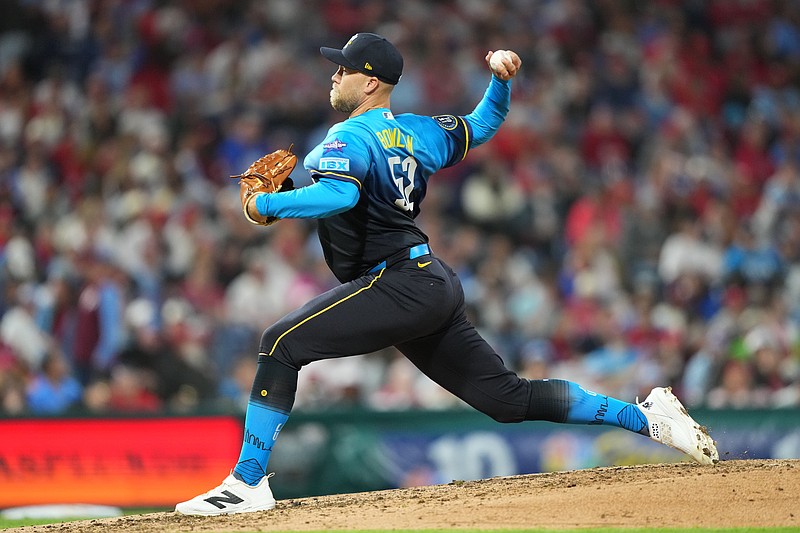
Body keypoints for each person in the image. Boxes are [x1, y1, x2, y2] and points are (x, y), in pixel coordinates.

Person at [176, 32, 718, 516]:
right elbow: (483, 124)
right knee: (507, 399)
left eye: (343, 68)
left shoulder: (347, 138)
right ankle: (645, 417)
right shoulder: (417, 132)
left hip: (400, 282)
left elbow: (340, 192)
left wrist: (266, 206)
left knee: (280, 344)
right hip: (426, 282)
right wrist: (500, 82)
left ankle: (247, 483)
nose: (334, 75)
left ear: (370, 82)